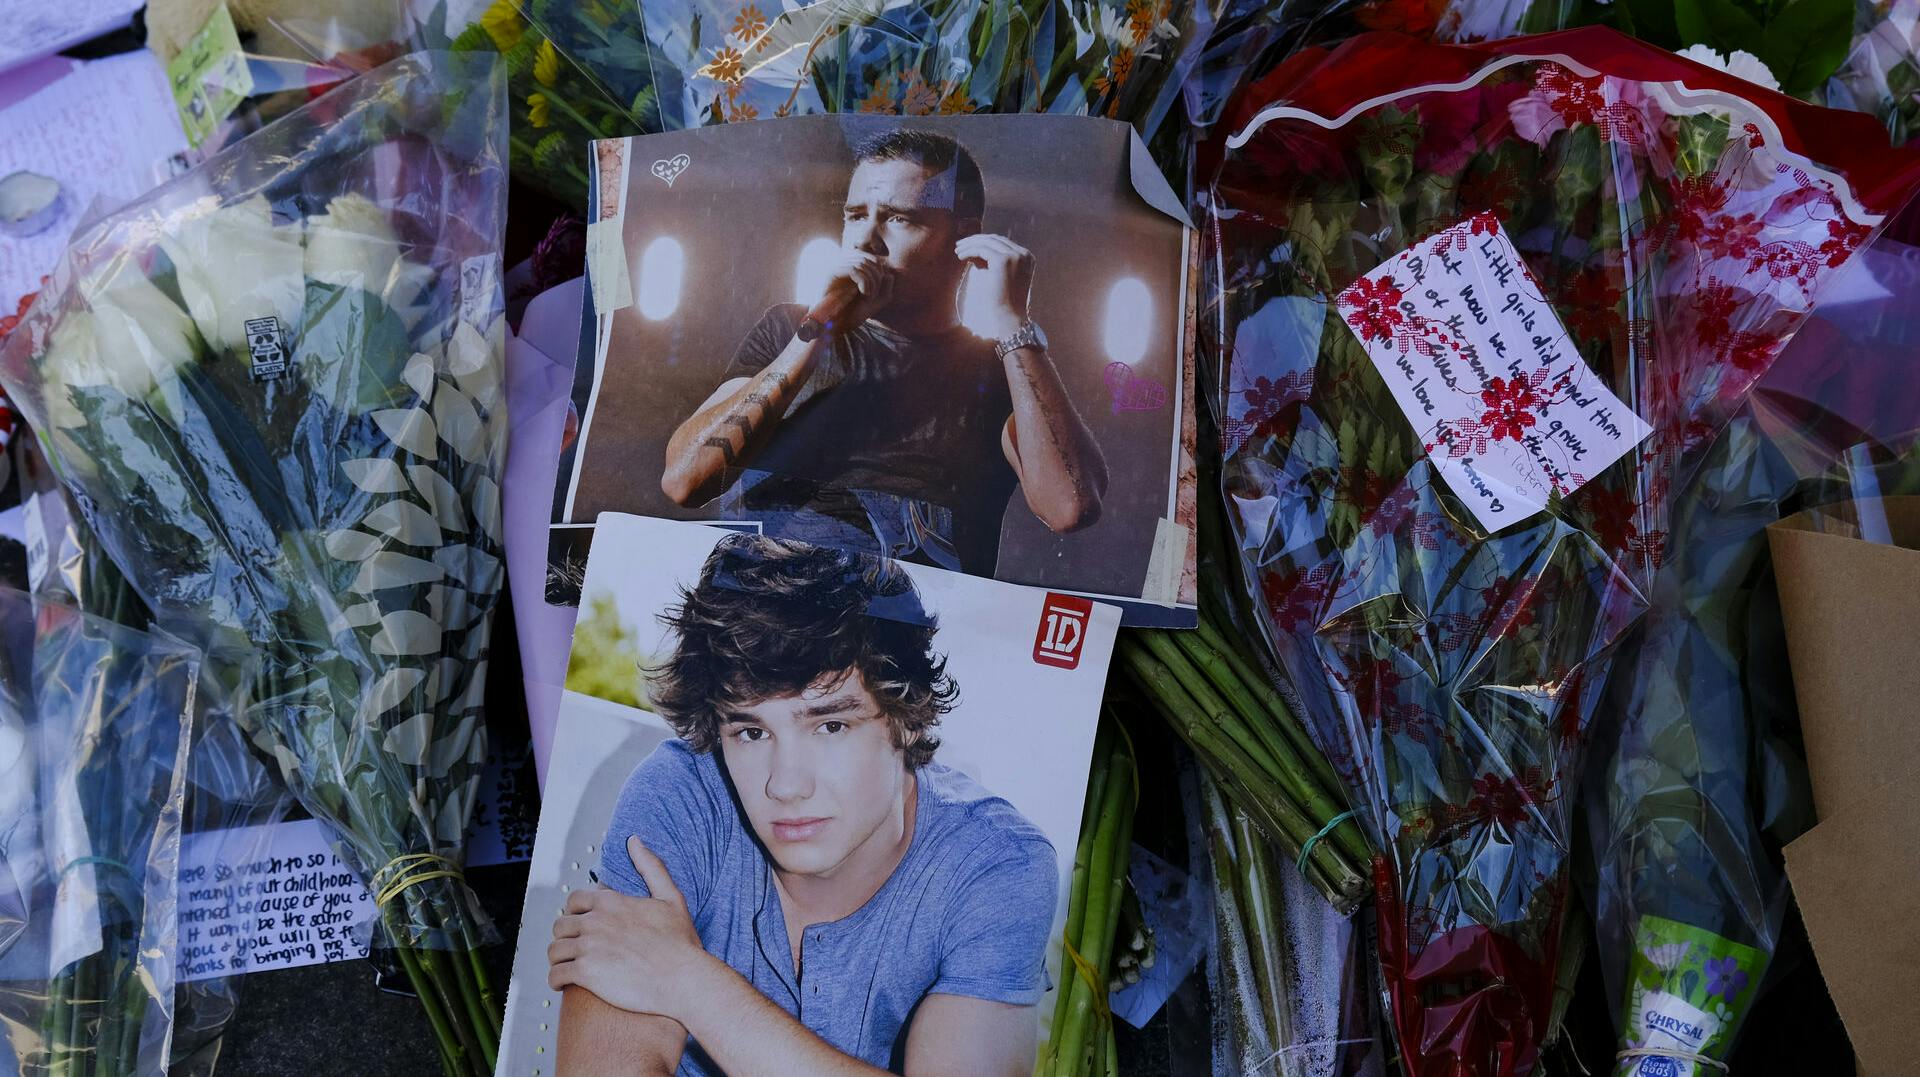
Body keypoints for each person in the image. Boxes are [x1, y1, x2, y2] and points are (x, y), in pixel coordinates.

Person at [549, 533, 1059, 1076]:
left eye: (831, 725)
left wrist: (686, 979)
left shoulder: (997, 865)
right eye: (750, 732)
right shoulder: (682, 797)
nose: (785, 786)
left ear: (907, 718)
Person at [659, 129, 1108, 577]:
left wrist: (1014, 323)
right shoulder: (789, 331)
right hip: (760, 623)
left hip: (902, 637)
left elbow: (1069, 507)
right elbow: (684, 482)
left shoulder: (999, 369)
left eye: (898, 219)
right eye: (855, 215)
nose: (865, 239)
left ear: (964, 239)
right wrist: (815, 335)